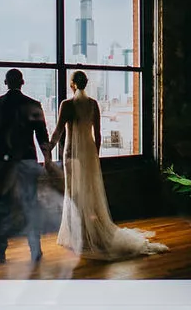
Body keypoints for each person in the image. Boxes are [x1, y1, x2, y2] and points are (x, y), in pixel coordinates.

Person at [52, 70, 162, 261]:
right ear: (85, 84)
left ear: (72, 85)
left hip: (72, 153)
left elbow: (58, 132)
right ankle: (88, 233)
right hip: (89, 151)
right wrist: (95, 154)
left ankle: (79, 235)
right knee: (89, 192)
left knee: (73, 192)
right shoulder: (93, 104)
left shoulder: (67, 105)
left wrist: (47, 150)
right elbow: (98, 134)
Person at [0, 68, 52, 269]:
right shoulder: (34, 105)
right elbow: (42, 137)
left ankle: (0, 251)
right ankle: (35, 250)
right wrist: (47, 160)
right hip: (28, 163)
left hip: (4, 165)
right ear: (22, 83)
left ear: (6, 83)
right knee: (31, 206)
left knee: (3, 207)